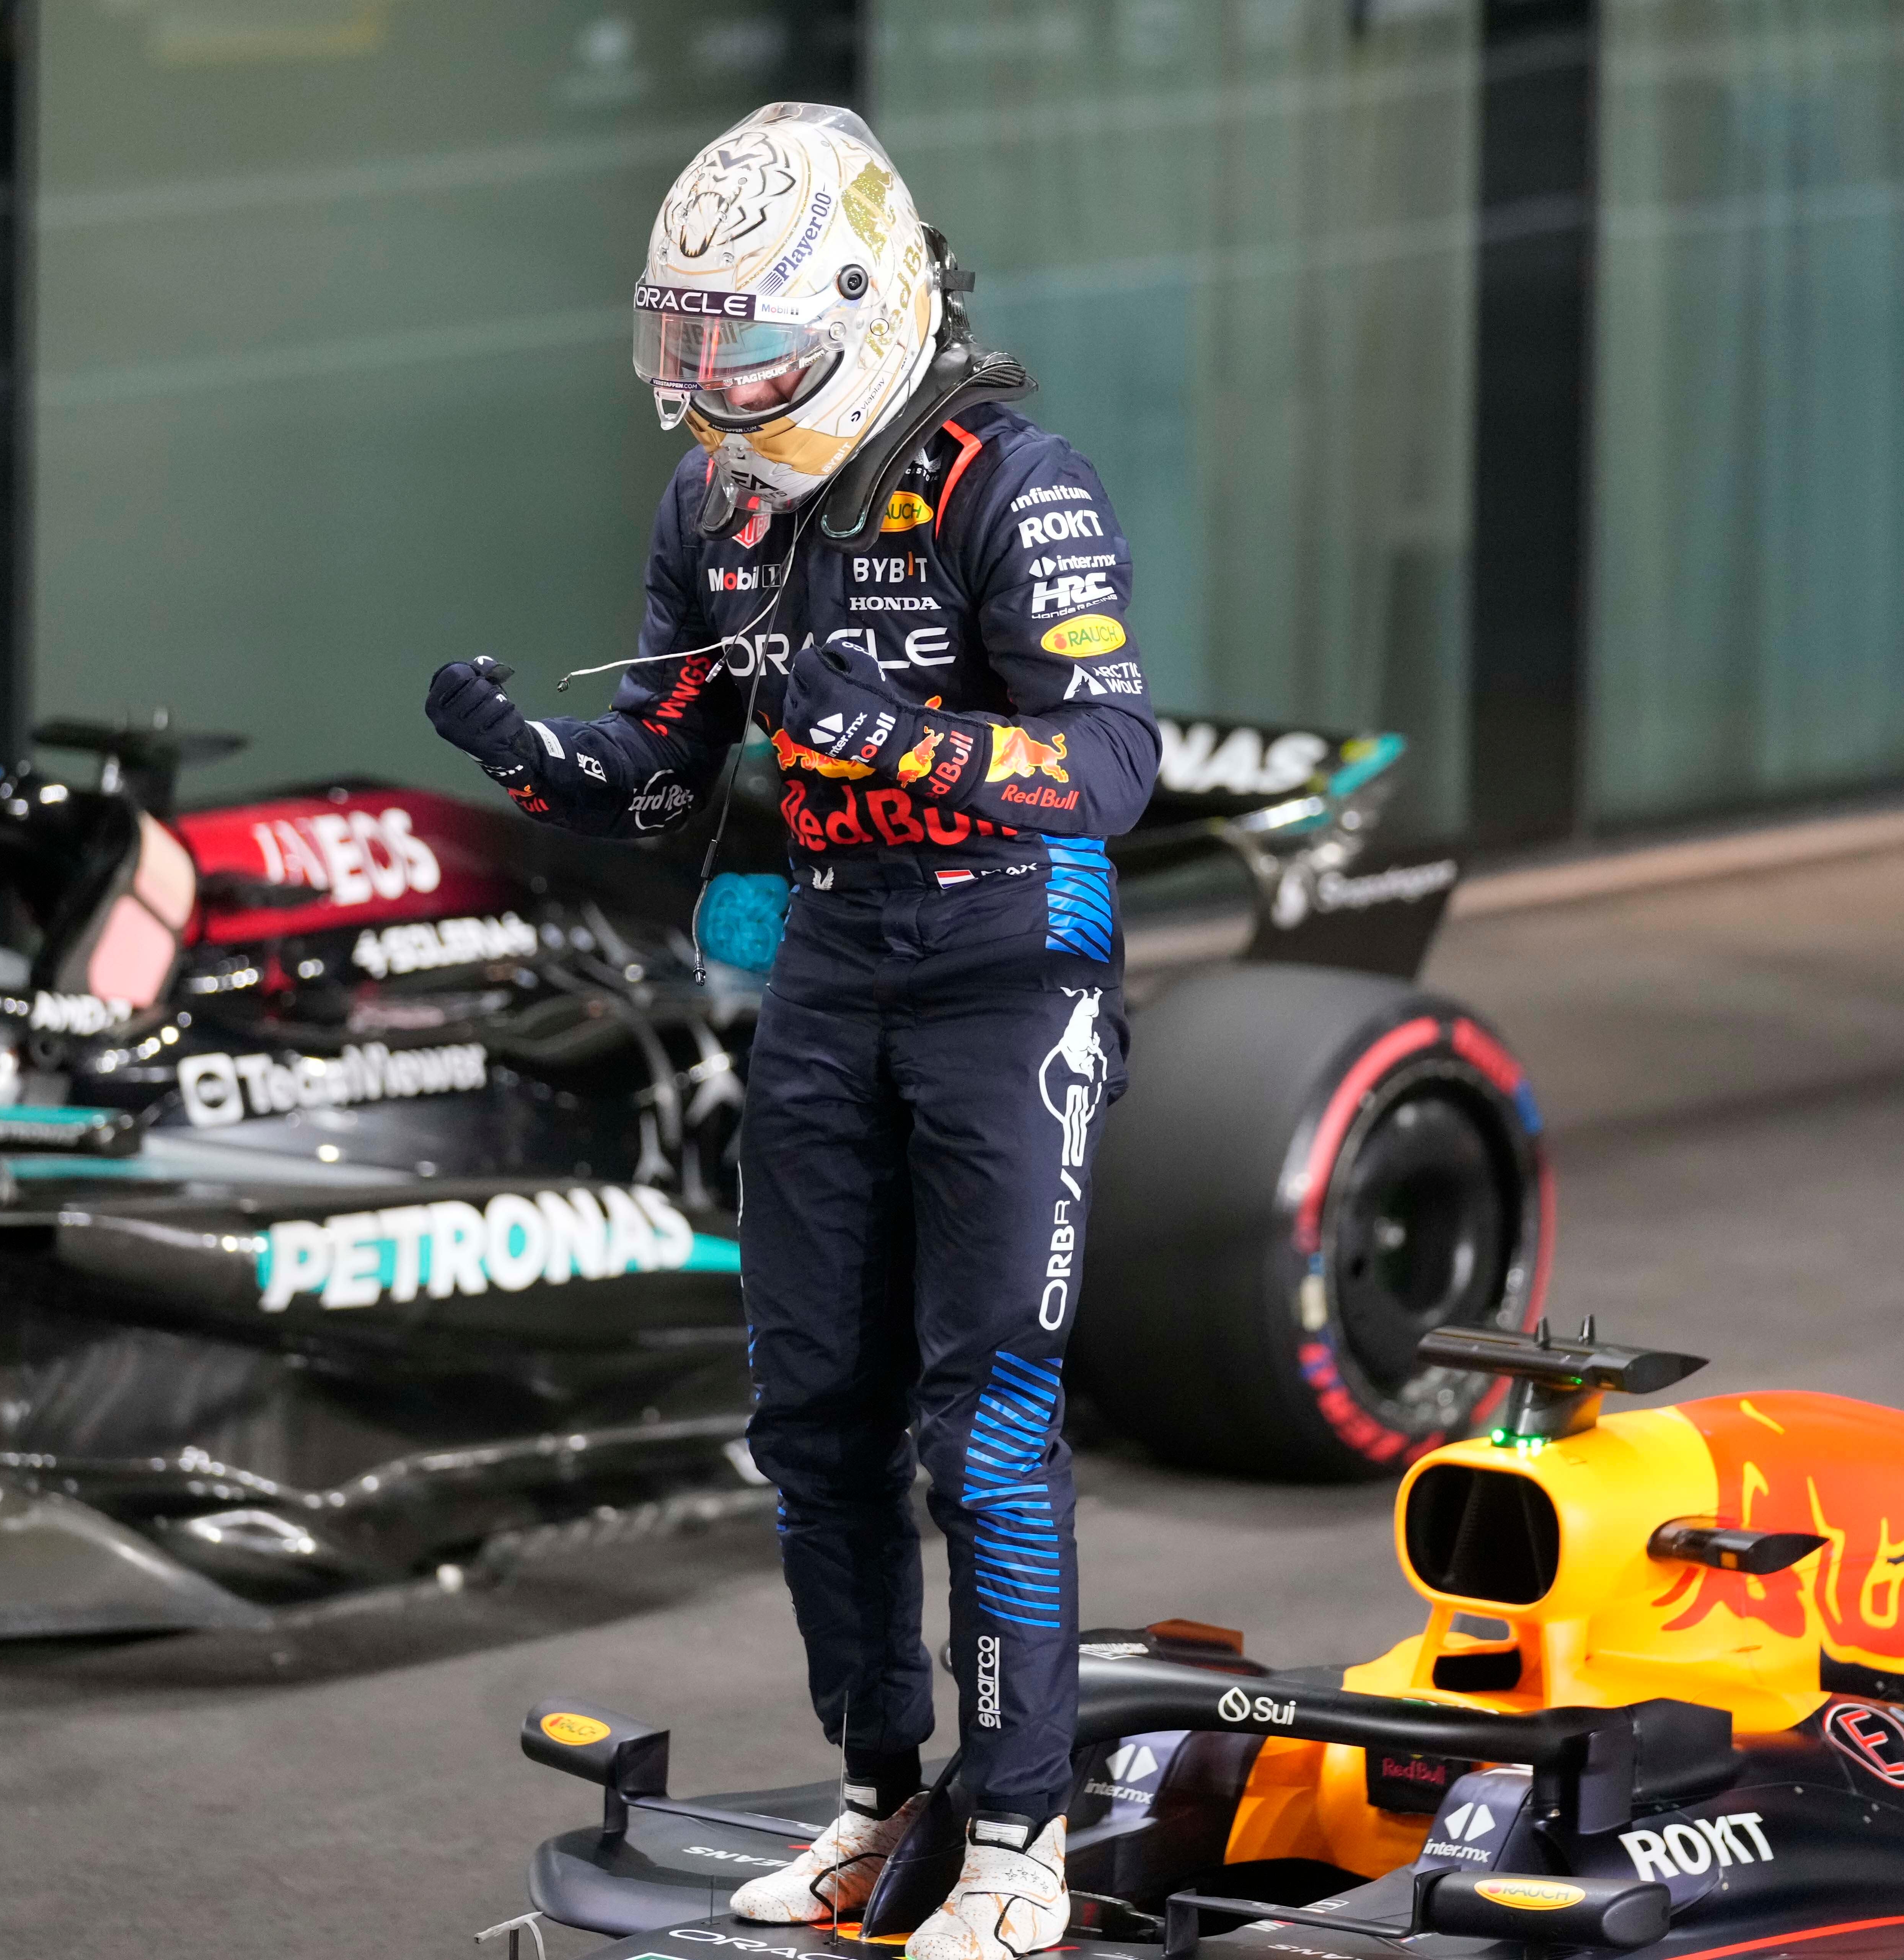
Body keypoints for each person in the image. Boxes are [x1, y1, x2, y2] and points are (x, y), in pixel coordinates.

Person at [423, 103, 1156, 1960]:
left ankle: (1017, 1845)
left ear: (863, 300)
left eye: (741, 339)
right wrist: (532, 760)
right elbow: (662, 779)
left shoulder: (1015, 482)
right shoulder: (712, 507)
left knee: (979, 1426)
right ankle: (874, 1800)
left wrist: (896, 739)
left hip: (1012, 973)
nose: (708, 383)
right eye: (686, 341)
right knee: (811, 1417)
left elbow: (1111, 767)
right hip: (832, 965)